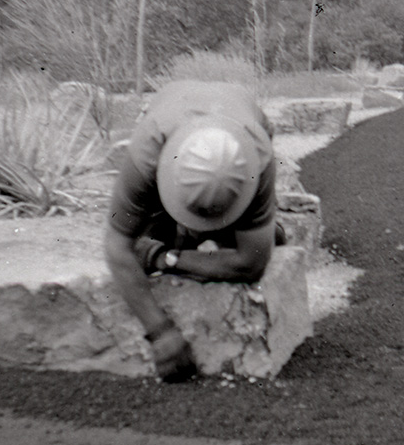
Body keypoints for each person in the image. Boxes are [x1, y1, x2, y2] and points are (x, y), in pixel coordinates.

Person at [105, 80, 279, 381]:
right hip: (172, 118)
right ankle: (212, 229)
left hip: (242, 117)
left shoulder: (259, 158)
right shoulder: (147, 151)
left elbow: (251, 263)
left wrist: (162, 257)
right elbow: (116, 246)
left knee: (253, 241)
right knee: (152, 232)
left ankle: (239, 226)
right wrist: (160, 332)